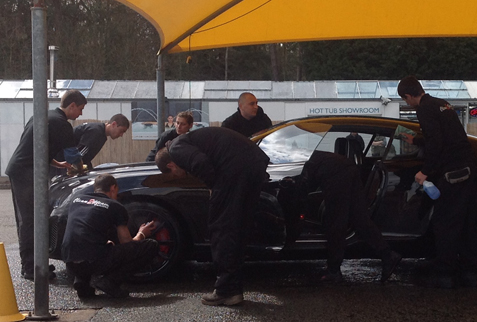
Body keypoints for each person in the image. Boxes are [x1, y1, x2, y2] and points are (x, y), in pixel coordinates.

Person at [155, 127, 269, 306]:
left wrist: (212, 187)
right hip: (254, 164)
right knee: (238, 228)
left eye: (174, 174)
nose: (181, 176)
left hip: (234, 170)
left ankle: (226, 290)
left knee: (221, 229)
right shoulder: (187, 140)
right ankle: (233, 287)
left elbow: (201, 163)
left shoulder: (176, 149)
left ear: (170, 165)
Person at [397, 76, 477, 289]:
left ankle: (444, 274)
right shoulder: (442, 104)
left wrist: (424, 171)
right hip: (471, 167)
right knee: (468, 222)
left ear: (408, 96)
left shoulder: (424, 109)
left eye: (406, 100)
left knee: (445, 223)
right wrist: (415, 140)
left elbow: (436, 143)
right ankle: (470, 272)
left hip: (454, 172)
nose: (408, 104)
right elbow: (445, 136)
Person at [6, 90, 87, 280]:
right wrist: (81, 170)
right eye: (81, 109)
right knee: (30, 220)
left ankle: (35, 263)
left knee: (31, 219)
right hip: (27, 171)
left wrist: (56, 164)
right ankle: (30, 268)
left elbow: (36, 146)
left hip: (21, 169)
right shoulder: (62, 124)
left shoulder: (44, 116)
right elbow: (73, 155)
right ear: (72, 105)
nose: (81, 114)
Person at [289, 150, 402, 283]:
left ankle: (334, 270)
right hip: (346, 167)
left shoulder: (291, 160)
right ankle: (387, 255)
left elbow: (303, 189)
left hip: (333, 173)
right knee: (359, 218)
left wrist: (295, 214)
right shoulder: (296, 155)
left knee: (335, 221)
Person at [61, 174, 159, 298]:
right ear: (113, 188)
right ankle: (110, 281)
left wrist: (104, 244)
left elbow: (83, 231)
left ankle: (82, 282)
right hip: (94, 262)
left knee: (85, 248)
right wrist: (142, 234)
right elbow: (127, 242)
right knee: (150, 246)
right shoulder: (115, 206)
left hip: (69, 261)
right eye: (117, 191)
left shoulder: (77, 200)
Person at [53, 113, 130, 174]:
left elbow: (85, 157)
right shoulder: (96, 133)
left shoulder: (99, 131)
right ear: (113, 124)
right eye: (121, 131)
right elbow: (79, 156)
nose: (121, 135)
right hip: (61, 164)